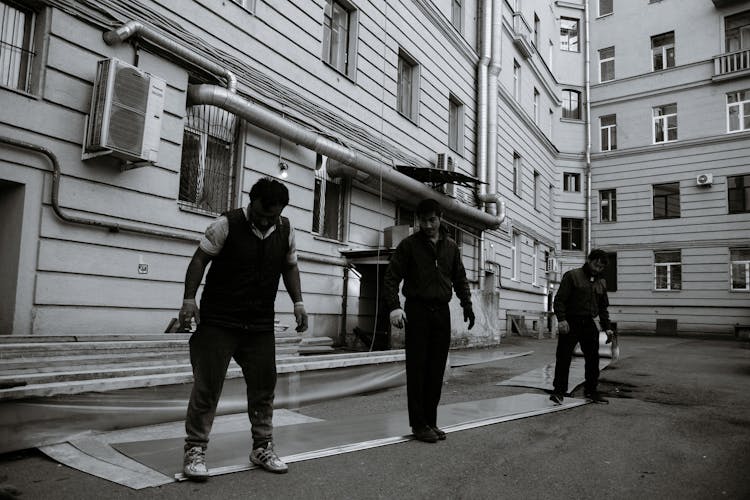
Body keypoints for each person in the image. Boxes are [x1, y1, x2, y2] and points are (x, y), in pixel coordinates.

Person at [178, 177, 308, 480]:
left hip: (260, 323)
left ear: (280, 212)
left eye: (271, 217)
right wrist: (188, 299)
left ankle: (262, 446)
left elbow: (289, 266)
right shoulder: (226, 224)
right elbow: (200, 260)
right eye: (260, 214)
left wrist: (299, 302)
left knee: (264, 389)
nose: (264, 221)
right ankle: (195, 449)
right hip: (219, 320)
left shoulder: (286, 230)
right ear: (251, 203)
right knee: (207, 388)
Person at [383, 198, 475, 443]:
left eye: (432, 220)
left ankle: (431, 421)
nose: (427, 225)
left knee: (436, 369)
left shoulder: (451, 247)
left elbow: (460, 278)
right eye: (423, 221)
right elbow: (391, 277)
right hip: (417, 310)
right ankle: (418, 424)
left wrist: (467, 304)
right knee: (417, 369)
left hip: (441, 312)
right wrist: (394, 307)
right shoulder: (409, 246)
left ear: (440, 218)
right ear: (418, 221)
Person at [550, 248, 613, 405]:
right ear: (589, 260)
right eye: (596, 265)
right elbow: (558, 300)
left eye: (601, 267)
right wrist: (562, 320)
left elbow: (603, 307)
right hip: (571, 322)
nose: (598, 269)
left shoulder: (601, 281)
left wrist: (607, 327)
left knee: (593, 359)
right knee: (564, 357)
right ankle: (558, 392)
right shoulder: (572, 276)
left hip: (588, 323)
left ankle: (591, 391)